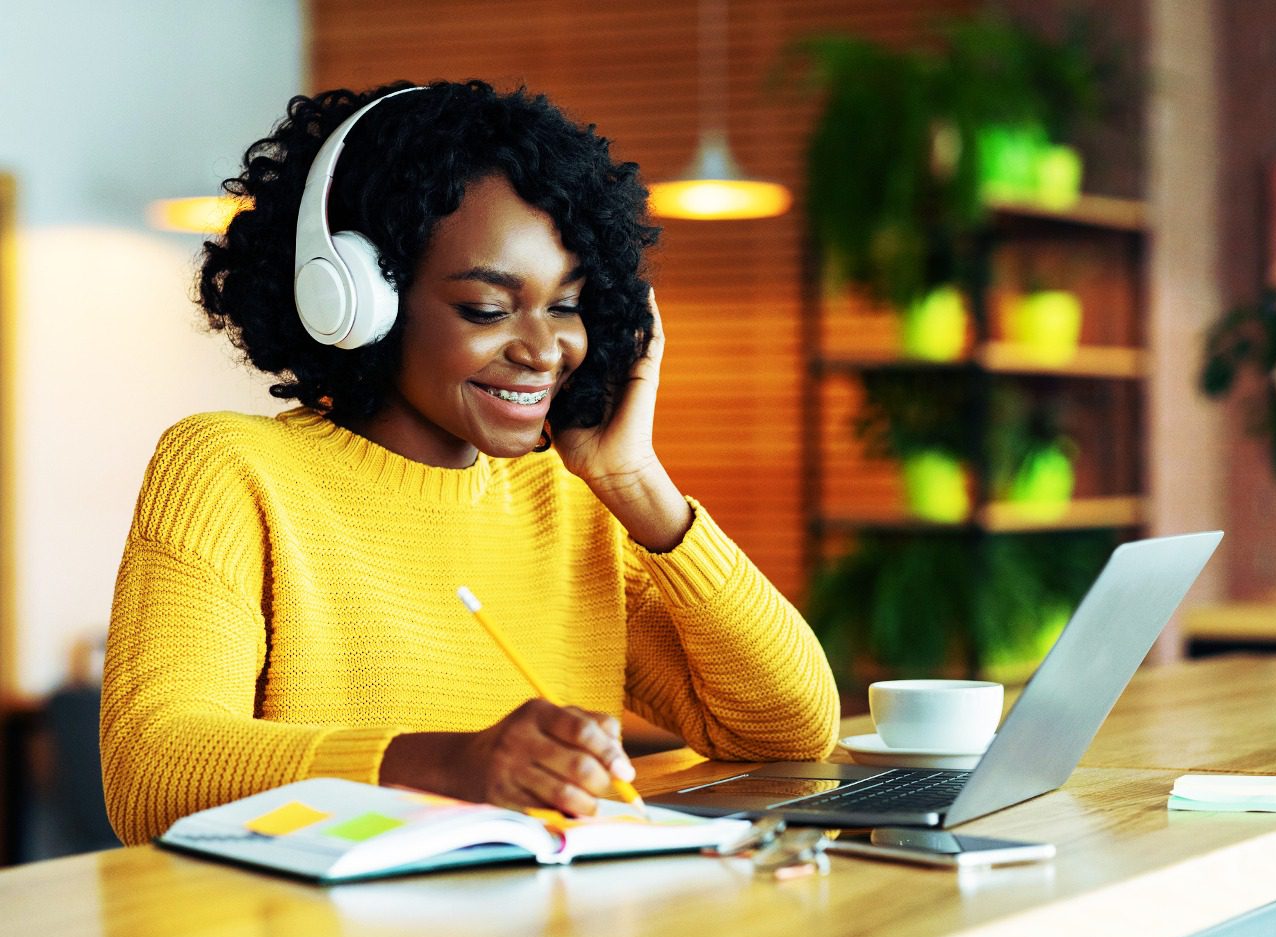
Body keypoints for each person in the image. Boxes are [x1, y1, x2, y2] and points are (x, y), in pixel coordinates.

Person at [100, 80, 839, 847]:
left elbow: (788, 730)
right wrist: (451, 766)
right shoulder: (230, 468)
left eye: (566, 305)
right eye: (487, 309)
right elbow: (152, 771)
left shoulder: (571, 499)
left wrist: (636, 483)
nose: (545, 349)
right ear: (359, 300)